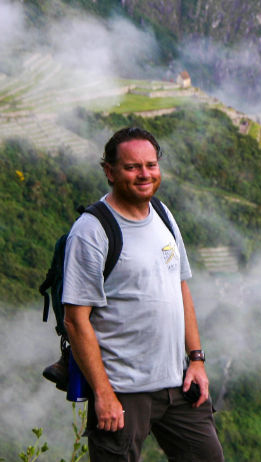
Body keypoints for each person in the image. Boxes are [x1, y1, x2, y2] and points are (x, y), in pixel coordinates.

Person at [62, 127, 224, 461]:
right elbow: (76, 321)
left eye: (151, 165)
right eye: (132, 166)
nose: (144, 174)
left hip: (177, 385)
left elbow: (180, 288)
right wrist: (103, 394)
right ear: (109, 171)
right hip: (123, 391)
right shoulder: (92, 232)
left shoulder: (163, 216)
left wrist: (196, 360)